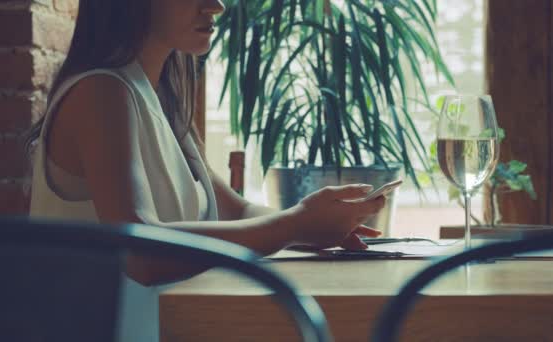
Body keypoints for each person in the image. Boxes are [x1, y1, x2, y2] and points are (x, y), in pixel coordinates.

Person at [26, 0, 387, 287]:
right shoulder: (101, 93)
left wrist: (319, 224)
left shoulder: (158, 95)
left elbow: (239, 212)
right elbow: (140, 250)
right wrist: (295, 225)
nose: (216, 6)